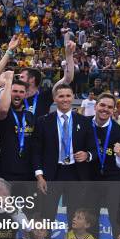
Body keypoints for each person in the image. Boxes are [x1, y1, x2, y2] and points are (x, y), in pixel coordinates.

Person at [32, 84, 96, 222]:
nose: (65, 99)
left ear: (73, 97)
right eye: (61, 96)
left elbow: (94, 149)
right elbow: (36, 151)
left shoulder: (84, 121)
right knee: (47, 216)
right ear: (55, 98)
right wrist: (39, 176)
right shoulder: (43, 121)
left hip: (76, 173)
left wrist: (87, 155)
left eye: (68, 95)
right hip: (51, 174)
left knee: (75, 217)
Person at [88, 93, 120, 239]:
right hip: (90, 180)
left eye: (110, 107)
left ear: (114, 110)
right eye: (102, 105)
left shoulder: (119, 131)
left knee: (117, 219)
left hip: (113, 180)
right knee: (90, 220)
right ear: (95, 106)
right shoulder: (85, 124)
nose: (105, 109)